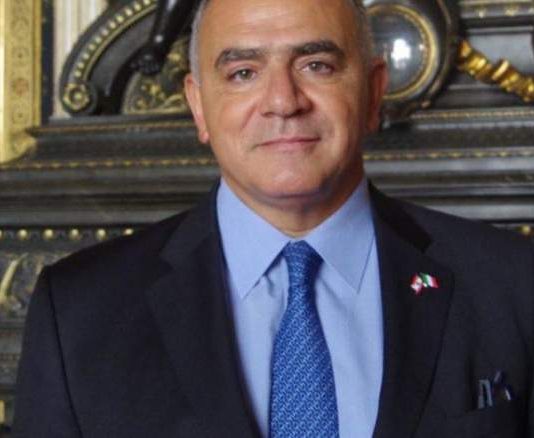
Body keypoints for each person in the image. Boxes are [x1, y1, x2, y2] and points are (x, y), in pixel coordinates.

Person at [13, 0, 534, 436]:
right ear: (198, 105)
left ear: (374, 91)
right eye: (243, 73)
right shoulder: (79, 313)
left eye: (316, 65)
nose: (283, 101)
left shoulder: (514, 283)